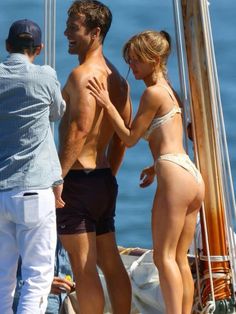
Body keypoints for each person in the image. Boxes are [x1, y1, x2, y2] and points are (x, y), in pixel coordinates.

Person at [87, 30, 205, 314]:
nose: (131, 66)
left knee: (164, 257)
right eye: (128, 59)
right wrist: (155, 167)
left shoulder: (153, 93)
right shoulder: (170, 90)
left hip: (175, 176)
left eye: (136, 60)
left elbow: (129, 138)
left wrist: (107, 104)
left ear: (154, 60)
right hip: (189, 175)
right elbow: (172, 138)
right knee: (178, 257)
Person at [56, 1, 132, 314]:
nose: (66, 34)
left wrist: (56, 180)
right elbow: (123, 134)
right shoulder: (117, 78)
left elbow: (79, 131)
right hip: (101, 180)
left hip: (76, 181)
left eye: (74, 28)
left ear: (95, 32)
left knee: (84, 268)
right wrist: (109, 174)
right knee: (111, 263)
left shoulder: (81, 75)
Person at [0, 19, 65, 313]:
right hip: (34, 190)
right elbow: (57, 112)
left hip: (1, 192)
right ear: (38, 49)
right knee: (37, 279)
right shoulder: (45, 75)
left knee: (2, 279)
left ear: (7, 46)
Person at [13, 239, 75, 314]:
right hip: (30, 306)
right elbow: (5, 279)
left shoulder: (81, 233)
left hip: (70, 307)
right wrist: (42, 284)